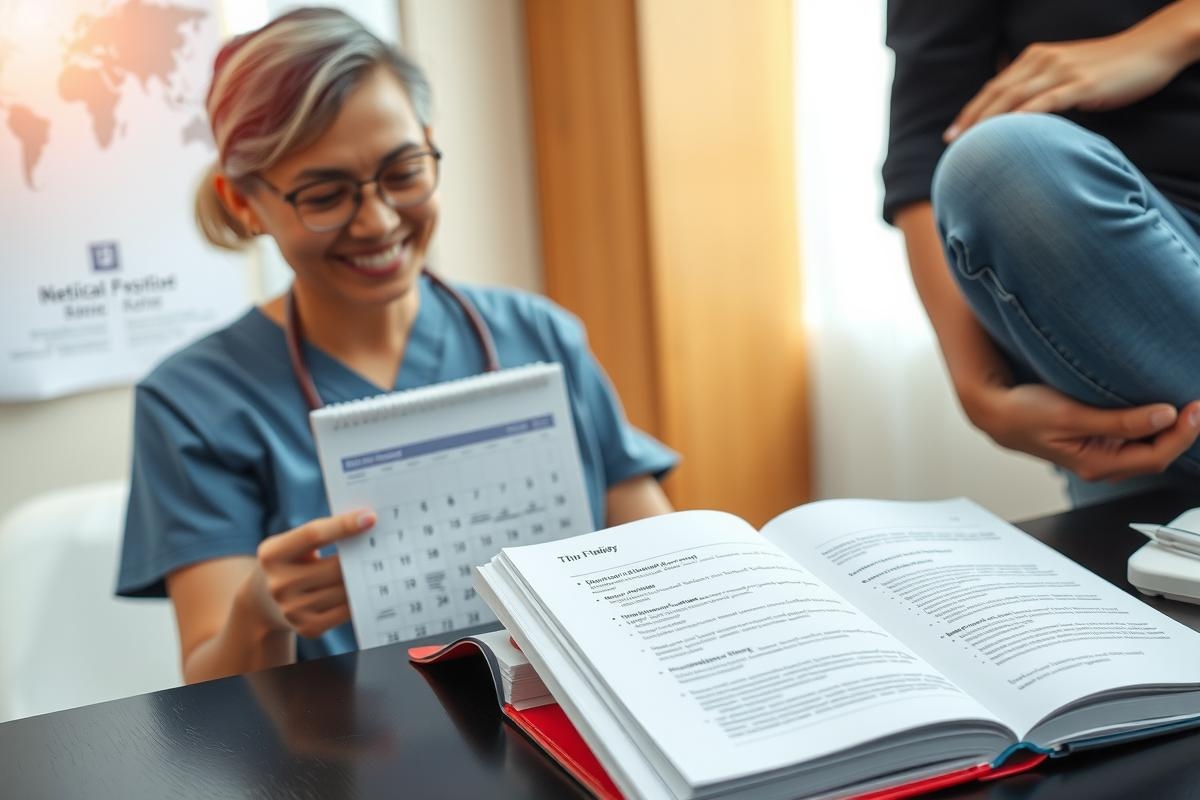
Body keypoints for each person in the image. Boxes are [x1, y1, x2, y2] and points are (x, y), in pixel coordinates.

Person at [117, 7, 676, 683]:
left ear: (430, 144)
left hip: (575, 724)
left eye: (403, 171)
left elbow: (659, 561)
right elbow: (212, 691)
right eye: (325, 195)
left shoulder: (539, 335)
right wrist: (262, 611)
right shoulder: (193, 401)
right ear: (243, 204)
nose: (378, 220)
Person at [884, 0, 1200, 506]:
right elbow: (927, 139)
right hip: (1124, 299)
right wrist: (981, 392)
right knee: (1000, 162)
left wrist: (1175, 33)